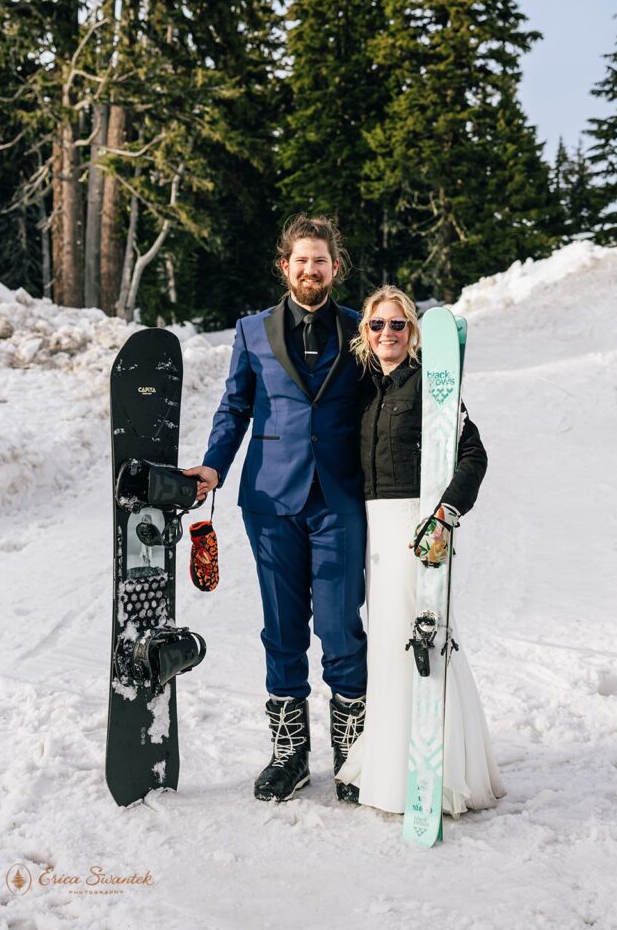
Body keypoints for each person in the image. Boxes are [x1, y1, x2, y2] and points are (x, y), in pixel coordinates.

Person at [184, 215, 367, 804]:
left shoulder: (360, 329)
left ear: (335, 268)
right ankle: (289, 753)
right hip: (270, 499)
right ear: (284, 266)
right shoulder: (251, 331)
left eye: (321, 260)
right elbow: (233, 408)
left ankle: (354, 754)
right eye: (301, 260)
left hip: (339, 497)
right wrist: (214, 466)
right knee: (282, 630)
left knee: (340, 625)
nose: (310, 269)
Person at [336, 285, 506, 816]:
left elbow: (472, 454)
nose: (387, 333)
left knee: (424, 637)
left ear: (412, 333)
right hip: (375, 527)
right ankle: (390, 766)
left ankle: (443, 765)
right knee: (386, 641)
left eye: (398, 325)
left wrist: (445, 514)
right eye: (377, 325)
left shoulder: (434, 385)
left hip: (420, 524)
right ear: (364, 333)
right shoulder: (361, 388)